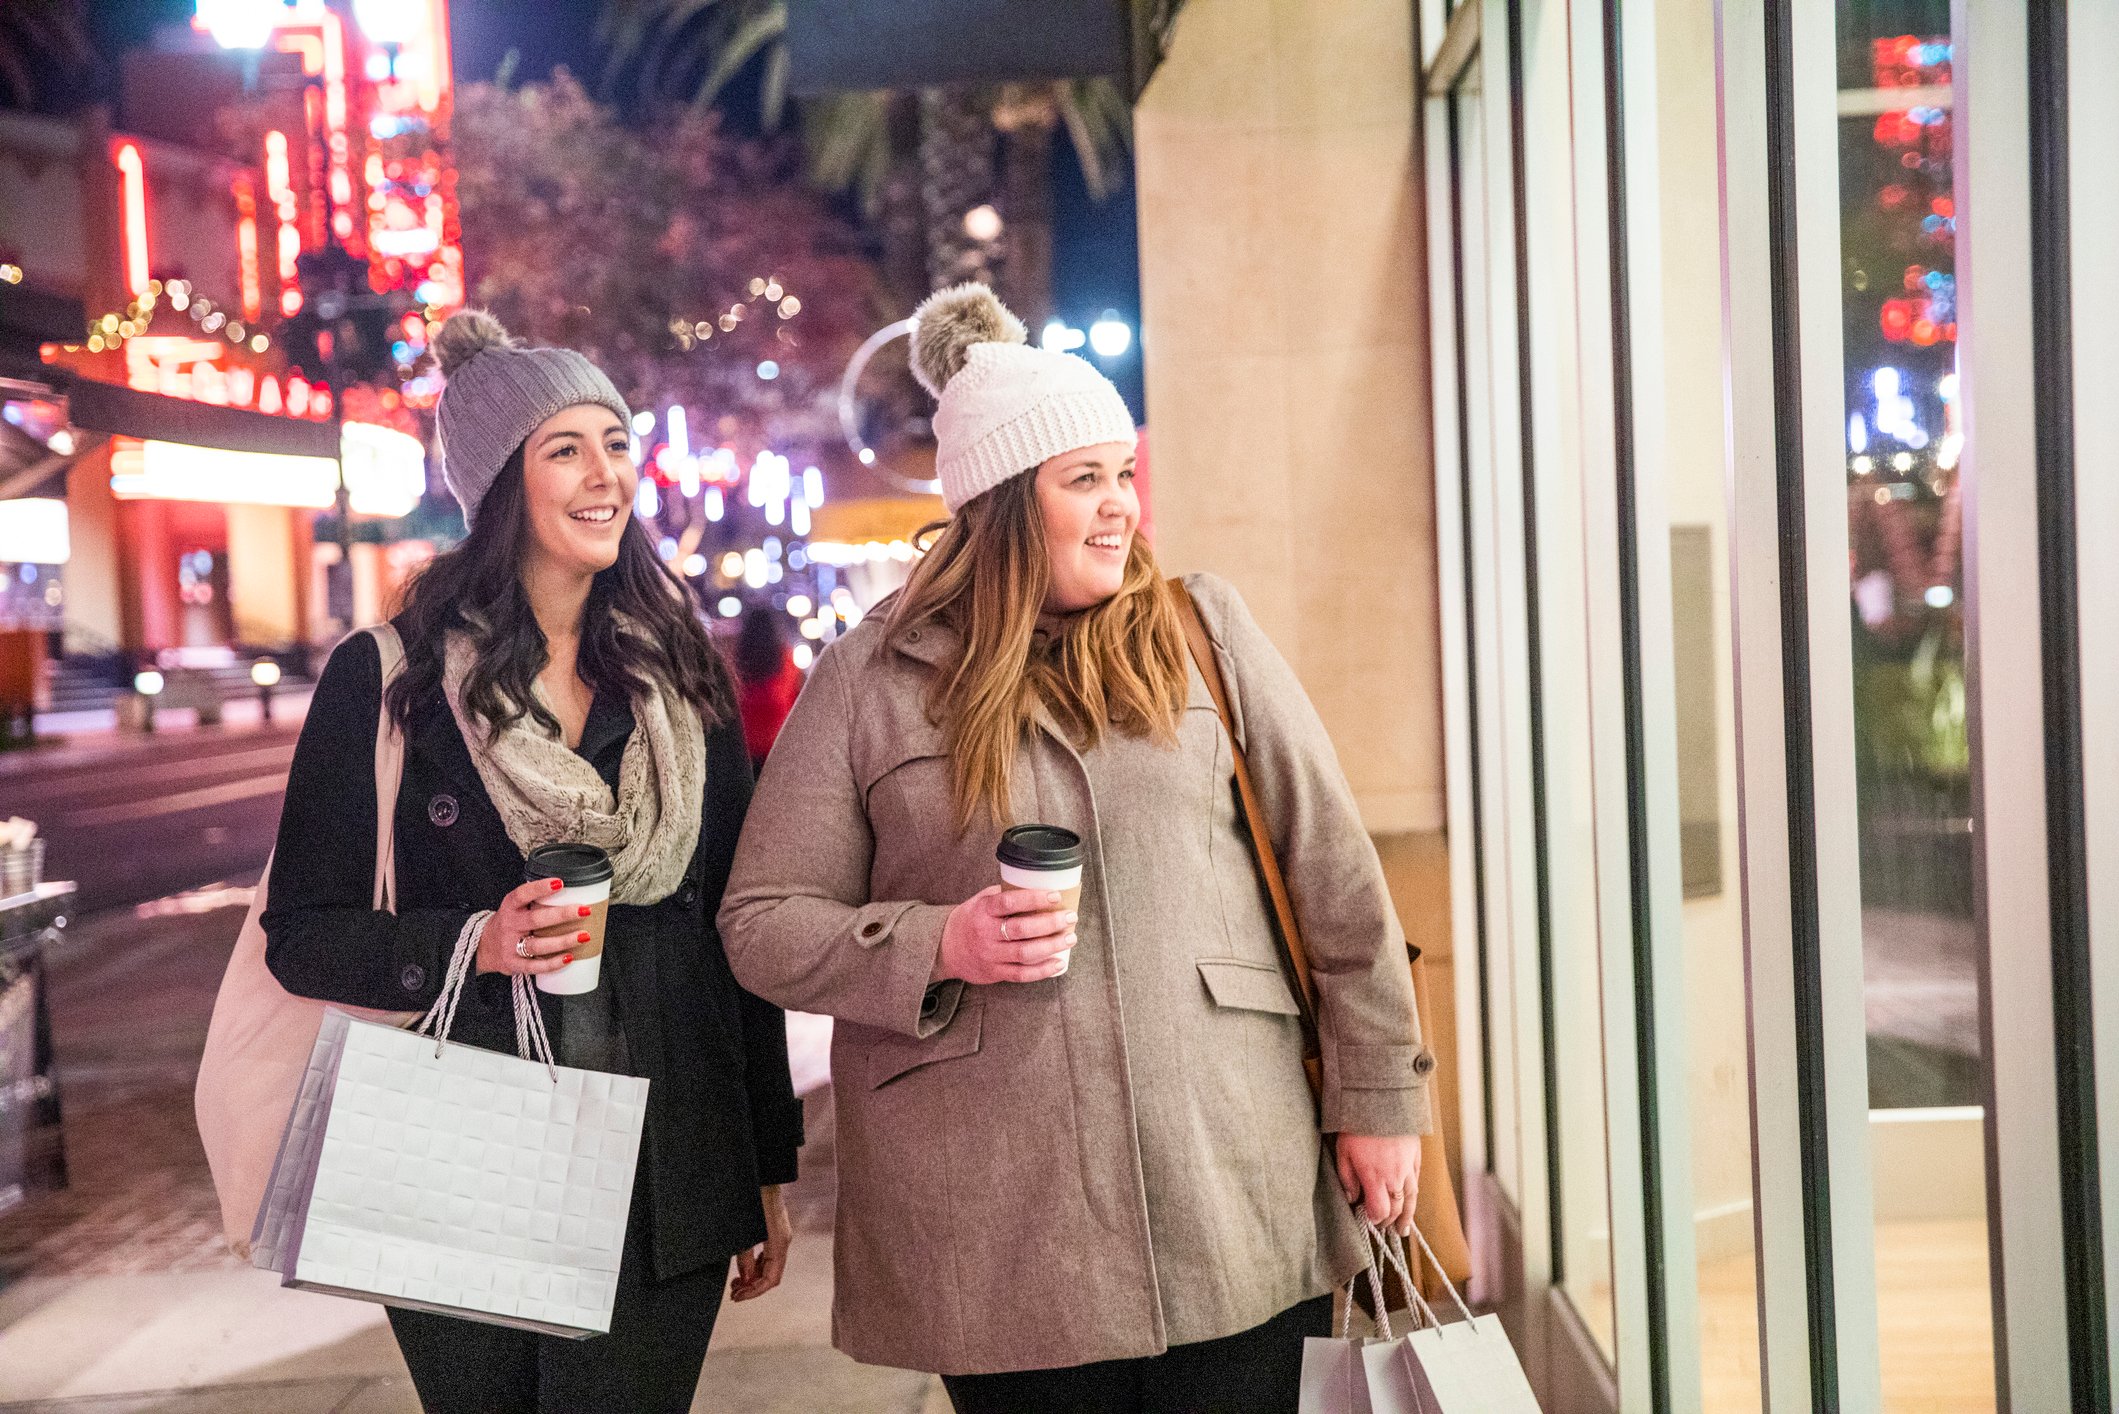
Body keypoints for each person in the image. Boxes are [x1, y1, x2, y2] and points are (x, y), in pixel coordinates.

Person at [718, 285, 1432, 1412]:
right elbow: (762, 920)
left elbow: (1333, 877)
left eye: (1124, 474)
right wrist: (935, 940)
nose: (1122, 509)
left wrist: (1381, 1097)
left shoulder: (1203, 632)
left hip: (1229, 1179)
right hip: (999, 1226)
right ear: (1003, 503)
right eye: (1084, 479)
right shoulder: (870, 678)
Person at [262, 310, 801, 1413]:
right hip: (472, 1153)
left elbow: (735, 926)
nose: (606, 474)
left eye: (615, 442)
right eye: (568, 448)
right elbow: (303, 929)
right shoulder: (390, 678)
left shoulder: (681, 678)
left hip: (671, 1151)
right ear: (501, 481)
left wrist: (765, 1160)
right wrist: (476, 940)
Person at [732, 605, 803, 771]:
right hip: (779, 751)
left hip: (744, 754)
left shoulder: (736, 664)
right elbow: (796, 704)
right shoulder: (787, 661)